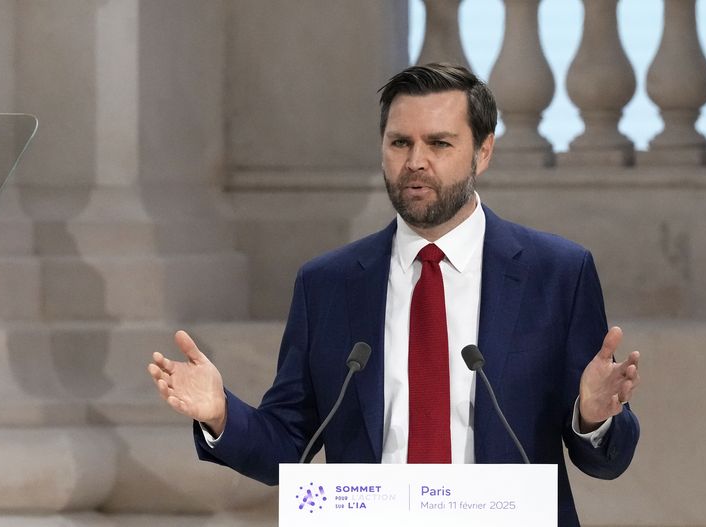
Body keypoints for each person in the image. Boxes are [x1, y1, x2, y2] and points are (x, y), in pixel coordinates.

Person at [148, 63, 641, 527]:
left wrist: (594, 417)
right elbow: (287, 449)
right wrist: (220, 414)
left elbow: (604, 460)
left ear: (483, 152)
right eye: (400, 142)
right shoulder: (327, 284)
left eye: (440, 144)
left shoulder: (556, 273)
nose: (416, 162)